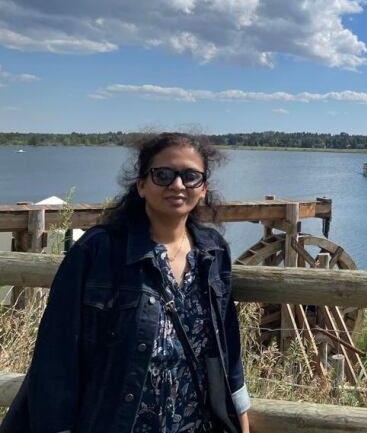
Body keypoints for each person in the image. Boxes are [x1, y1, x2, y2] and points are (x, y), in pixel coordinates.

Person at [2, 132, 251, 433]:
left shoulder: (213, 252)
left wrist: (241, 421)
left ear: (203, 188)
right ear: (142, 186)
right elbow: (56, 358)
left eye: (190, 176)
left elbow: (228, 351)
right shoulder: (98, 251)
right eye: (163, 175)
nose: (177, 185)